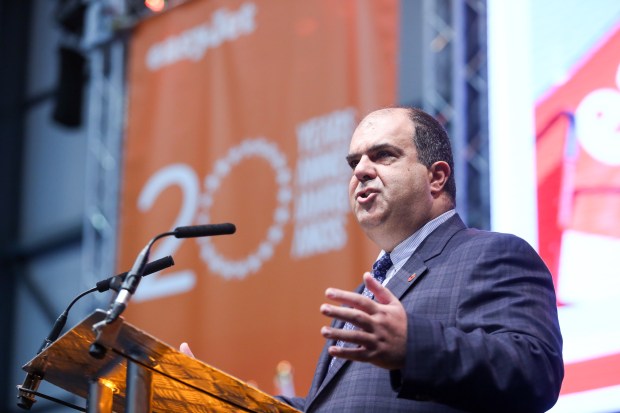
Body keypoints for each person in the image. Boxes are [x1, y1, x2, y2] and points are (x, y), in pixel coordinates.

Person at [183, 107, 564, 412]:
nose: (361, 171)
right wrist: (216, 400)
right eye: (354, 163)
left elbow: (536, 372)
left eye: (383, 155)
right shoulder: (377, 288)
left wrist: (413, 344)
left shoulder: (492, 255)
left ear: (436, 177)